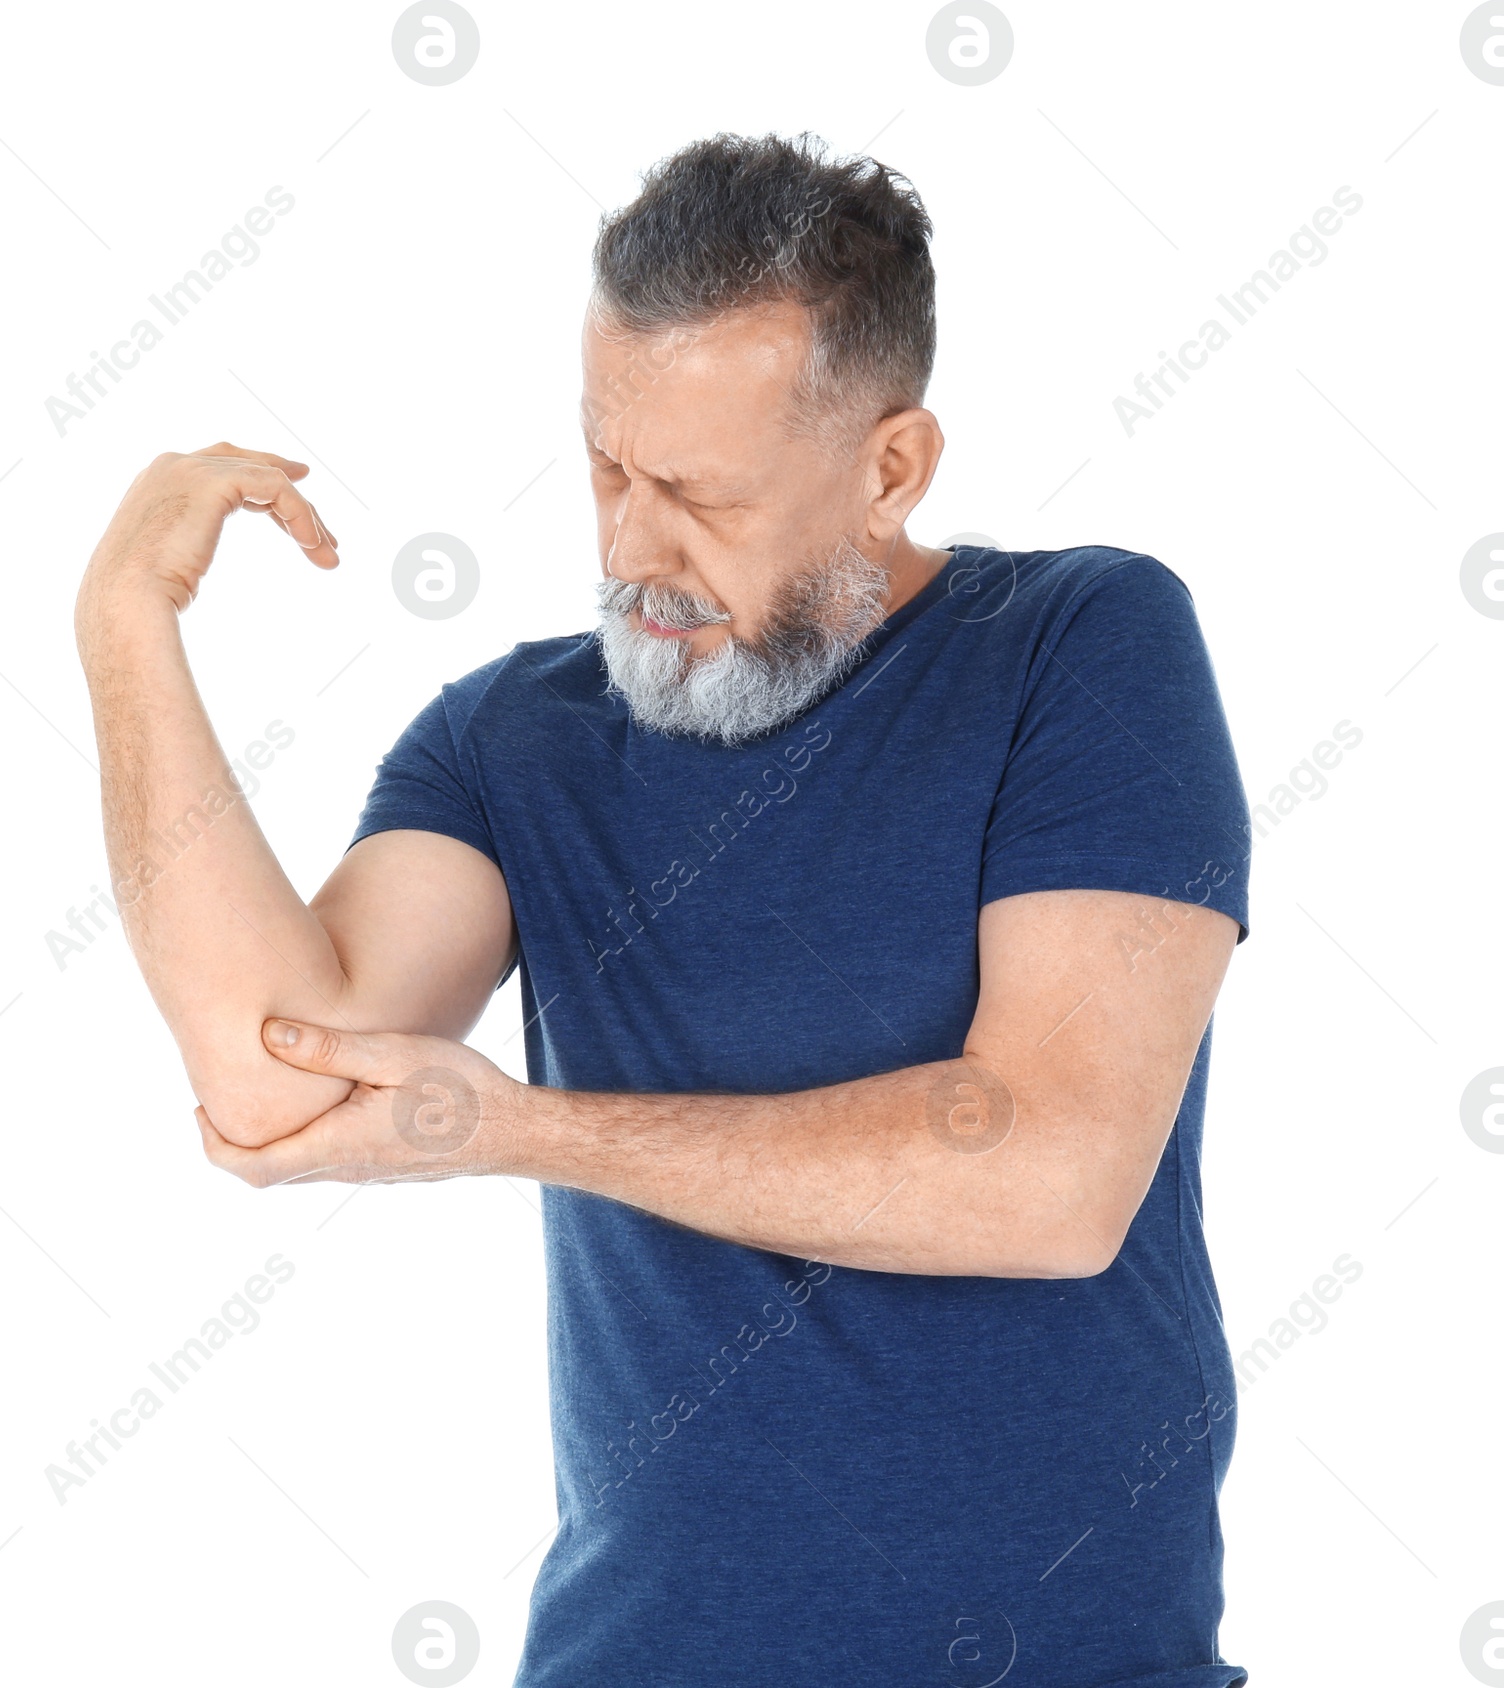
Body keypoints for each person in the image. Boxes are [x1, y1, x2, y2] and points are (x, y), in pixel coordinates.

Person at [75, 132, 1251, 1688]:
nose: (633, 547)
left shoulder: (1079, 645)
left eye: (700, 494)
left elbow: (1049, 1177)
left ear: (890, 468)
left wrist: (521, 1130)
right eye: (607, 467)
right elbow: (280, 1078)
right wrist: (123, 628)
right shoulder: (510, 737)